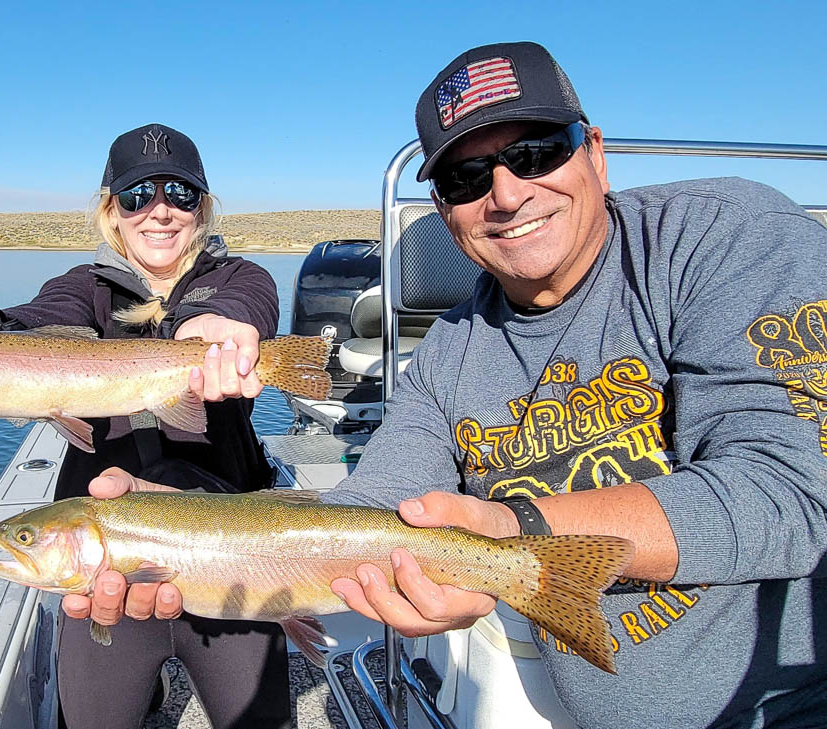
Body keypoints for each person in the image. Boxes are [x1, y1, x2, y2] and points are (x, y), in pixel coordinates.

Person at [71, 43, 827, 729]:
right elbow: (372, 510)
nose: (505, 193)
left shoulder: (720, 237)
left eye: (535, 152)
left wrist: (513, 535)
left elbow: (791, 493)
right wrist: (173, 532)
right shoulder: (448, 355)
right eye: (467, 176)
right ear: (443, 209)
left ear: (594, 153)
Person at [0, 123, 292, 729]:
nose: (160, 212)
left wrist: (223, 331)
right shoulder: (84, 288)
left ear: (201, 208)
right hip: (100, 556)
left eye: (179, 194)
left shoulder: (240, 279)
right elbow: (33, 320)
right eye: (137, 196)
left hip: (227, 540)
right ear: (111, 211)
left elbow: (241, 309)